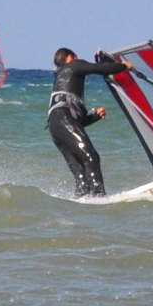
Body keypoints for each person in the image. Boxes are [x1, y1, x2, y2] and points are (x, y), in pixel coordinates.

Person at [47, 48, 132, 197]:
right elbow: (99, 68)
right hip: (62, 118)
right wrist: (123, 66)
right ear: (70, 57)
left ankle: (82, 197)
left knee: (79, 168)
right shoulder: (73, 64)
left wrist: (95, 116)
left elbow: (74, 123)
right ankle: (99, 195)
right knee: (91, 156)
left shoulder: (60, 78)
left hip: (54, 126)